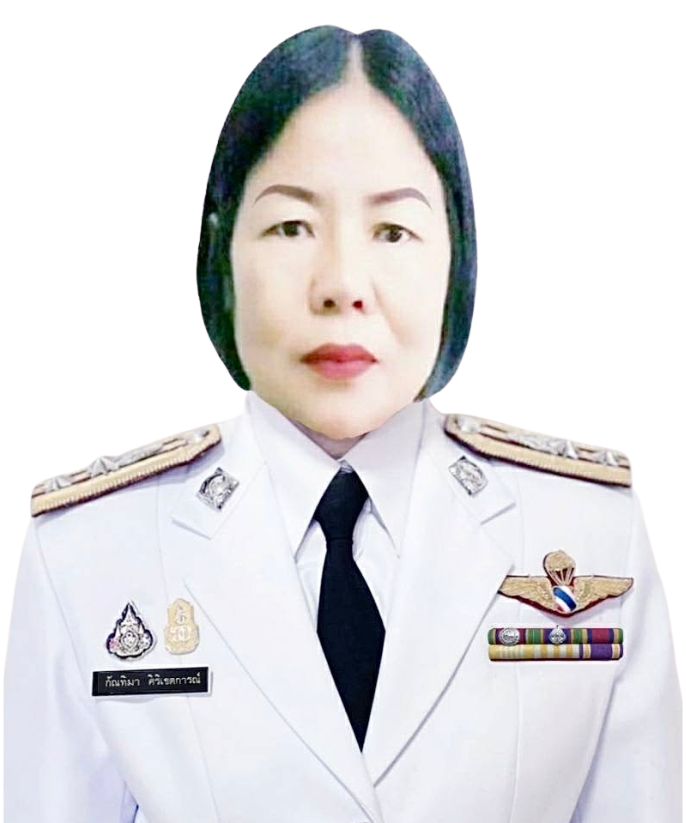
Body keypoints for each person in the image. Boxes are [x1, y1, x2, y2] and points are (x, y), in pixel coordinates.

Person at [4, 24, 681, 823]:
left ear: (455, 257)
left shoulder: (586, 530)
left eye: (392, 231)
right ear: (223, 254)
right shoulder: (92, 553)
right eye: (292, 226)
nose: (343, 283)